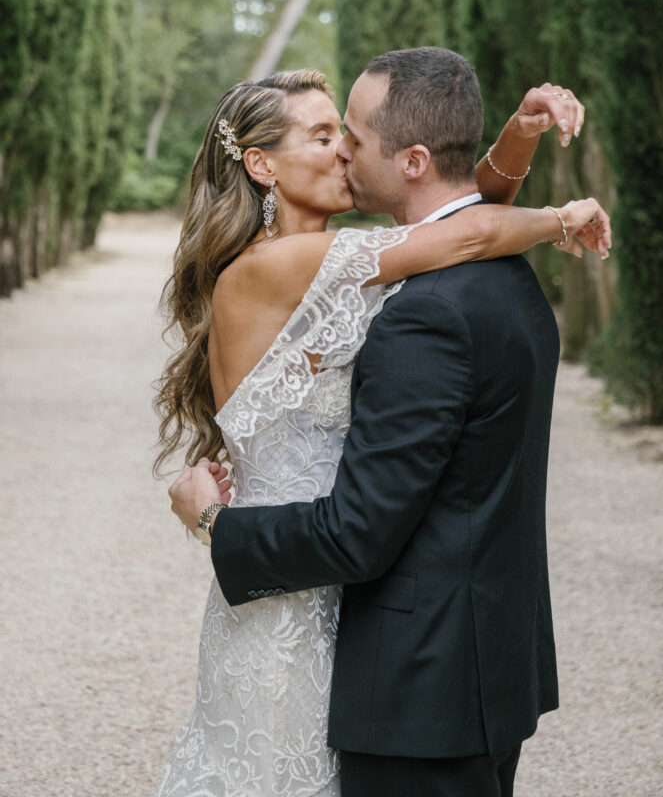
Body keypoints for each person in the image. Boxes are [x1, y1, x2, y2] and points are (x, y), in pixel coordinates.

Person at [158, 50, 610, 797]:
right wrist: (560, 217)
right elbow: (461, 236)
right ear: (263, 167)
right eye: (322, 135)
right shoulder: (269, 268)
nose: (345, 148)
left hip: (354, 595)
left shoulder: (352, 264)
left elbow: (452, 207)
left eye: (346, 132)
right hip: (288, 601)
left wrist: (518, 136)